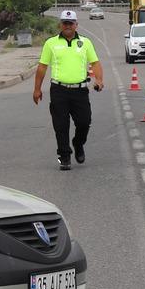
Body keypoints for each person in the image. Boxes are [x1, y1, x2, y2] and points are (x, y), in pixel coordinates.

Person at [32, 10, 104, 170]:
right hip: (59, 90)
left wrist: (99, 80)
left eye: (71, 23)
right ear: (60, 25)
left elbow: (95, 63)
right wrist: (37, 89)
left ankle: (78, 144)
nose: (68, 26)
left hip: (80, 91)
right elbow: (42, 67)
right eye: (65, 23)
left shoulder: (85, 43)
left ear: (76, 25)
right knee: (61, 125)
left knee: (84, 122)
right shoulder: (51, 43)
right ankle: (64, 156)